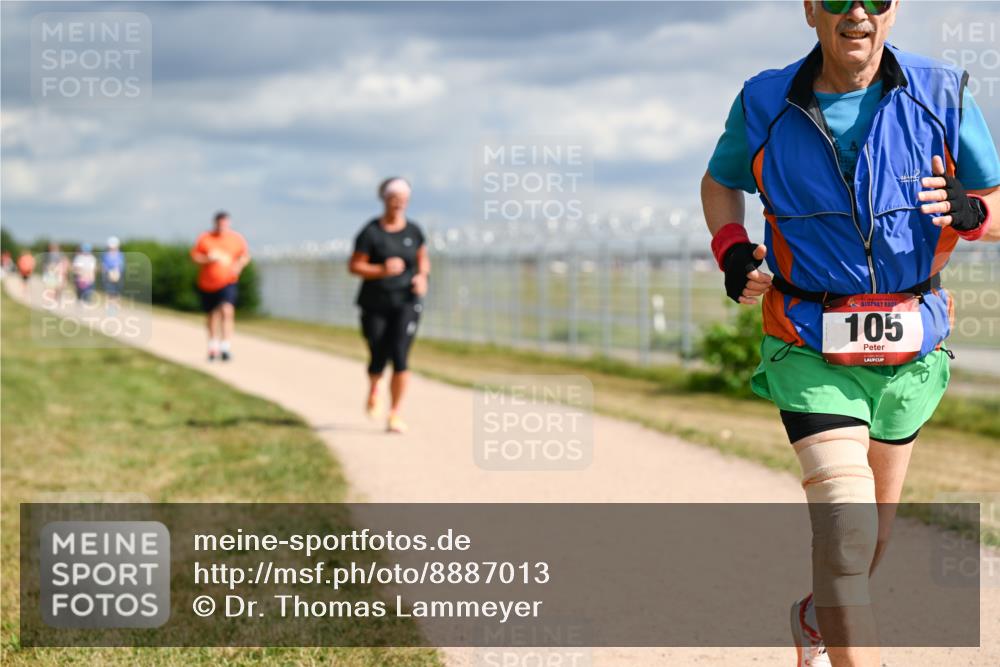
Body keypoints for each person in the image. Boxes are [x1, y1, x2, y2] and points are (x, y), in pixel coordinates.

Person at [701, 2, 999, 666]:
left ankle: (815, 617)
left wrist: (972, 210)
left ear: (895, 11)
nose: (856, 11)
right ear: (811, 9)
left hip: (909, 351)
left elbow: (998, 201)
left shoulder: (942, 93)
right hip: (808, 340)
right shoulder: (763, 101)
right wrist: (732, 249)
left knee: (870, 543)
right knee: (845, 528)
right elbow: (721, 183)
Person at [348, 177, 430, 434]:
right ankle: (375, 386)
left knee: (400, 355)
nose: (399, 204)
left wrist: (422, 277)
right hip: (375, 302)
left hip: (406, 301)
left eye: (403, 200)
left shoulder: (414, 231)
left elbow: (423, 259)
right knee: (378, 351)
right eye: (394, 199)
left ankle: (395, 412)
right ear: (384, 199)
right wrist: (381, 269)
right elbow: (354, 266)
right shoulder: (371, 232)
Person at [190, 211, 250, 361]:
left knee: (227, 310)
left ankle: (225, 347)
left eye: (225, 223)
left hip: (228, 281)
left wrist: (239, 265)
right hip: (208, 283)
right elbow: (195, 257)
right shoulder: (205, 238)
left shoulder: (236, 238)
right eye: (220, 223)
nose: (222, 226)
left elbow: (244, 256)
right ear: (215, 223)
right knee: (212, 315)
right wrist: (208, 259)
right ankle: (213, 346)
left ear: (228, 223)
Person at [101, 236, 126, 309]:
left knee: (117, 289)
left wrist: (117, 271)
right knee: (109, 288)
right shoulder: (105, 254)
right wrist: (106, 271)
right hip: (108, 273)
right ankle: (109, 303)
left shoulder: (120, 254)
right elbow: (104, 264)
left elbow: (121, 264)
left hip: (117, 273)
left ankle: (116, 303)